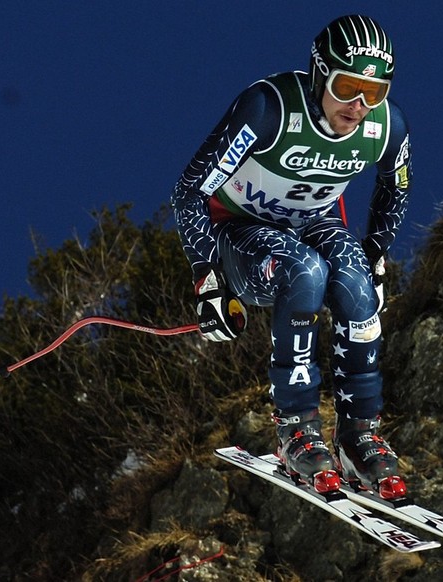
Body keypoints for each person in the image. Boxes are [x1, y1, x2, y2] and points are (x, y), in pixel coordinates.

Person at [171, 14, 412, 499]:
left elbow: (395, 186)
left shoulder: (386, 127)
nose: (359, 105)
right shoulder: (269, 108)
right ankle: (296, 427)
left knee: (355, 281)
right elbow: (190, 190)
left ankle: (358, 433)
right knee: (306, 271)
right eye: (347, 87)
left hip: (312, 224)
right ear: (321, 72)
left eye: (375, 91)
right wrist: (208, 280)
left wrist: (378, 255)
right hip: (242, 230)